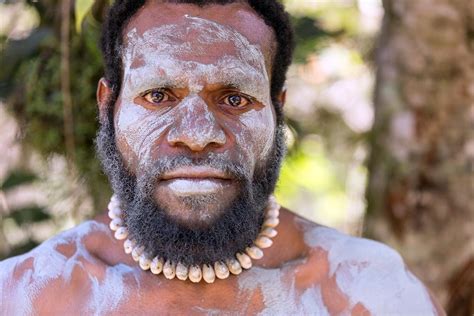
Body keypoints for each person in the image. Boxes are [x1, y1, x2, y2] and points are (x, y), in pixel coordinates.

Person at [0, 0, 445, 314]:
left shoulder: (369, 293)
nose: (197, 136)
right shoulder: (24, 296)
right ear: (109, 106)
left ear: (277, 109)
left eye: (233, 98)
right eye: (158, 95)